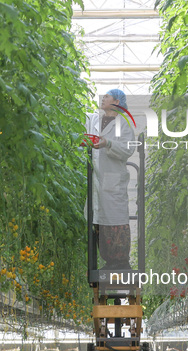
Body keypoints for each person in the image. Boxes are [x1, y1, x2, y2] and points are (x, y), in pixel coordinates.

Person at [84, 89, 135, 270]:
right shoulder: (94, 120)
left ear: (117, 102)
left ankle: (119, 264)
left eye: (107, 97)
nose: (103, 99)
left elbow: (128, 149)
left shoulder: (124, 124)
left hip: (112, 180)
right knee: (98, 222)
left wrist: (108, 143)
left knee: (115, 223)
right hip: (97, 178)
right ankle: (108, 263)